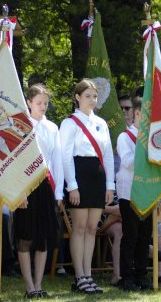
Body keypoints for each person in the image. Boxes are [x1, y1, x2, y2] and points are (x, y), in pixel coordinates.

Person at [59, 79, 114, 294]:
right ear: (77, 97)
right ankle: (79, 276)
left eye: (94, 96)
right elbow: (65, 155)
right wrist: (72, 185)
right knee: (79, 228)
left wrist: (110, 185)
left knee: (92, 228)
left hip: (98, 177)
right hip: (79, 174)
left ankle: (88, 275)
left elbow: (108, 155)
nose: (92, 100)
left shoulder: (101, 122)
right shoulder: (70, 123)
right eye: (88, 96)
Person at [13, 84, 63, 299]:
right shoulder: (21, 125)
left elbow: (57, 161)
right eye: (39, 103)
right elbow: (15, 160)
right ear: (29, 103)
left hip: (46, 186)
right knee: (25, 236)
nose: (43, 106)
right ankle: (28, 285)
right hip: (26, 186)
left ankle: (39, 284)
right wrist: (19, 190)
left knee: (43, 238)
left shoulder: (52, 128)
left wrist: (59, 193)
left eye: (46, 103)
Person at [116, 96, 153, 292]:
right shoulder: (125, 137)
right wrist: (143, 145)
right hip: (129, 191)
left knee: (145, 236)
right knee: (131, 235)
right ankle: (126, 276)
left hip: (147, 190)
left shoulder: (152, 138)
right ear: (137, 114)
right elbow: (128, 162)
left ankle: (141, 274)